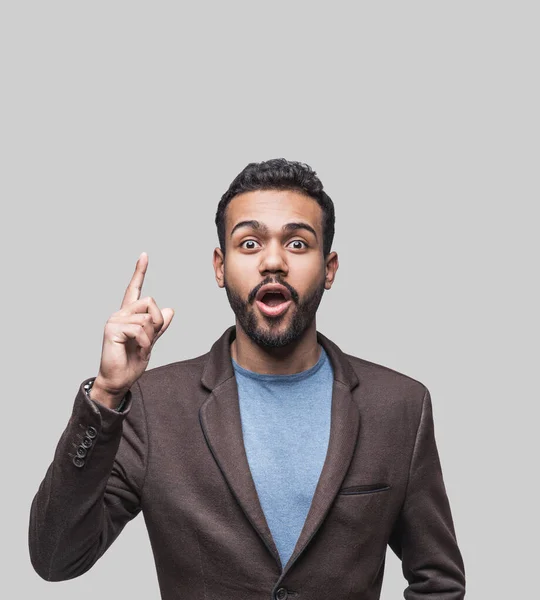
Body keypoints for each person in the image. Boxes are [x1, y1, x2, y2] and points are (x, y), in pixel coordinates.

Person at [29, 158, 466, 599]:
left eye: (297, 244)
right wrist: (106, 393)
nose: (272, 261)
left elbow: (438, 580)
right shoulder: (150, 406)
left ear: (329, 268)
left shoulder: (399, 406)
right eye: (250, 243)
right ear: (220, 267)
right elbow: (56, 558)